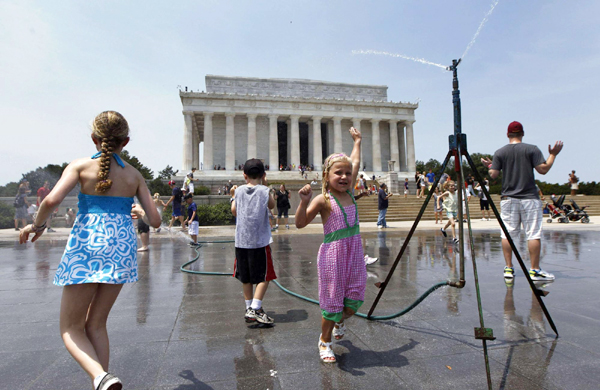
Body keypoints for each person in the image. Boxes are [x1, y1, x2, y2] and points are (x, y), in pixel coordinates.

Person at [19, 111, 161, 390]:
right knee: (96, 324)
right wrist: (139, 209)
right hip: (120, 248)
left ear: (94, 139)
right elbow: (154, 221)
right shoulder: (134, 175)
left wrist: (37, 226)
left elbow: (50, 200)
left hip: (87, 246)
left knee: (70, 328)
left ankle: (100, 377)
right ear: (126, 141)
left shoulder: (80, 167)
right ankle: (103, 381)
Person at [295, 127, 366, 364]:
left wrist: (357, 141)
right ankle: (325, 342)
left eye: (347, 173)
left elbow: (354, 162)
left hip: (354, 253)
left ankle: (340, 320)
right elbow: (300, 223)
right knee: (332, 302)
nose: (345, 176)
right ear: (327, 176)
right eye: (339, 173)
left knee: (353, 300)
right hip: (333, 256)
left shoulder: (351, 193)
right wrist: (303, 203)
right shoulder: (323, 200)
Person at [481, 121, 562, 281]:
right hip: (529, 198)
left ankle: (509, 269)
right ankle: (534, 270)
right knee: (533, 234)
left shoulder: (500, 152)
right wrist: (553, 155)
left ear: (507, 134)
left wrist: (490, 165)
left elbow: (494, 175)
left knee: (508, 234)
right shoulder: (532, 149)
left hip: (508, 198)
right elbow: (543, 170)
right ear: (522, 133)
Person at [231, 158, 277, 325]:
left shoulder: (239, 191)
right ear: (263, 175)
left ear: (245, 176)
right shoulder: (265, 191)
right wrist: (266, 186)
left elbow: (234, 211)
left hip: (241, 242)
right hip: (260, 242)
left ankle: (249, 307)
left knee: (246, 278)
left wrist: (232, 197)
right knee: (266, 276)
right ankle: (255, 308)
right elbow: (271, 205)